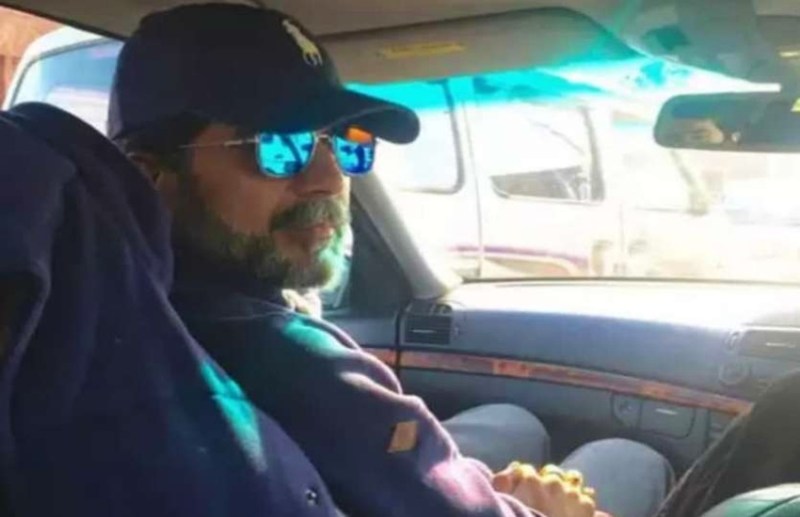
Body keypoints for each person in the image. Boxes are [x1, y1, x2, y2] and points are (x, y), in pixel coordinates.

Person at [107, 4, 670, 516]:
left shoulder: (111, 317)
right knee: (626, 461)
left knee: (509, 424)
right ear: (148, 175)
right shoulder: (281, 357)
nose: (330, 178)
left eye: (343, 142)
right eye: (277, 146)